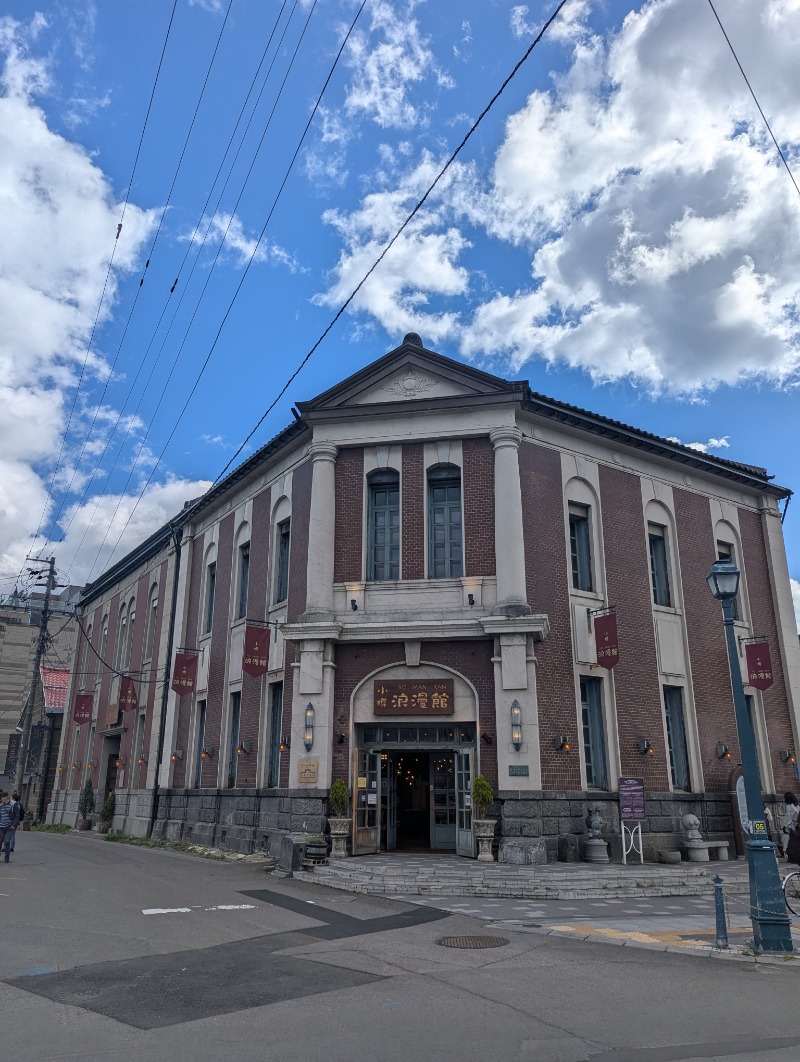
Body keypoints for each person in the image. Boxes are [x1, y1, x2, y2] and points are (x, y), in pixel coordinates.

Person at [0, 792, 20, 864]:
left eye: (2, 798)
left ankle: (6, 858)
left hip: (9, 827)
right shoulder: (1, 805)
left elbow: (17, 816)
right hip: (1, 827)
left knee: (7, 842)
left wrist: (13, 825)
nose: (1, 800)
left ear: (6, 797)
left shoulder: (13, 804)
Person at [784, 791, 800, 866]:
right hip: (797, 826)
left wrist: (786, 828)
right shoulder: (797, 805)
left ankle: (792, 857)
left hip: (793, 827)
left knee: (792, 843)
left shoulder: (789, 806)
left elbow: (788, 818)